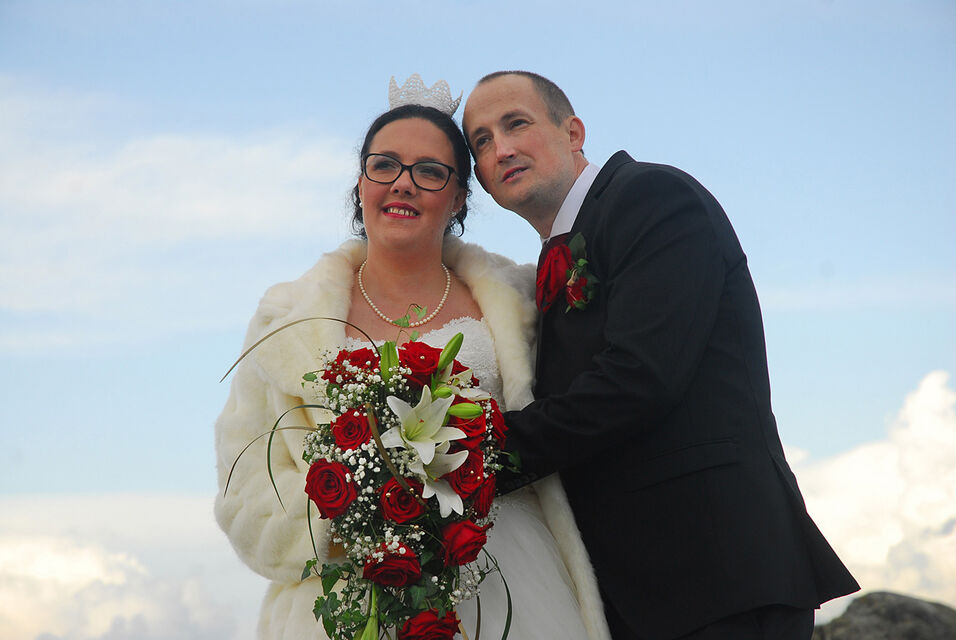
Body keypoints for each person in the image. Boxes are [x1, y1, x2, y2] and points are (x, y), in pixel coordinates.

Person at [462, 71, 860, 640]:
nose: (500, 148)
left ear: (573, 132)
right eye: (481, 141)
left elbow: (639, 377)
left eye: (515, 124)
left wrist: (470, 459)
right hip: (639, 591)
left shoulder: (651, 197)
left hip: (717, 570)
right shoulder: (547, 265)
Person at [214, 76, 611, 640]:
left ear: (459, 197)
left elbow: (585, 422)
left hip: (512, 587)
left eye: (429, 171)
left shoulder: (521, 300)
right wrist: (349, 515)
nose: (403, 183)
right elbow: (244, 488)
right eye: (385, 166)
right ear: (361, 183)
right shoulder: (284, 319)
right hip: (344, 601)